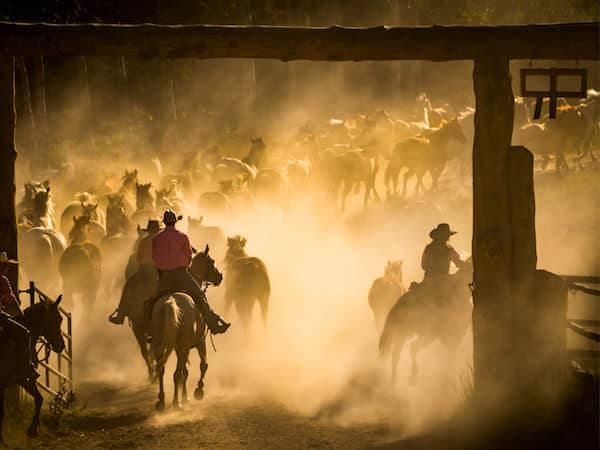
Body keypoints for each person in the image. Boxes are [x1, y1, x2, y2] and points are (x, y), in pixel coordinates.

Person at [152, 210, 230, 334]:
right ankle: (213, 325)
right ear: (175, 222)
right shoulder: (183, 237)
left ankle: (150, 331)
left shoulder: (156, 238)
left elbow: (155, 258)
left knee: (152, 302)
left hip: (164, 276)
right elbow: (189, 258)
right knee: (199, 296)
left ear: (165, 222)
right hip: (181, 275)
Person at [109, 220, 161, 325]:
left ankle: (121, 314)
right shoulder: (160, 242)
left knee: (128, 285)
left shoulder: (143, 241)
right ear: (157, 231)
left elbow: (138, 258)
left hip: (143, 270)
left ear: (149, 231)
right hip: (158, 271)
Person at [0, 251, 38, 381]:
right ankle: (24, 368)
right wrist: (20, 314)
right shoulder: (2, 280)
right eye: (4, 266)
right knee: (24, 334)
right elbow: (11, 300)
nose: (7, 268)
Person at [420, 223, 464, 306]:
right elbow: (458, 263)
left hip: (427, 280)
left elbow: (423, 265)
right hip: (443, 281)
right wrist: (468, 266)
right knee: (456, 298)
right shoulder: (448, 249)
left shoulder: (429, 247)